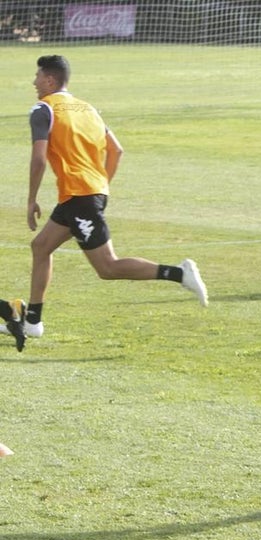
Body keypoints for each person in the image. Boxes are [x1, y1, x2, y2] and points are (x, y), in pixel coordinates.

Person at [22, 55, 207, 342]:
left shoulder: (43, 109)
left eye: (37, 76)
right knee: (41, 246)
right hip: (85, 193)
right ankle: (33, 322)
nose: (34, 82)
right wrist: (100, 185)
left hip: (80, 196)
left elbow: (38, 159)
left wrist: (31, 199)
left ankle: (179, 274)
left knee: (107, 267)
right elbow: (116, 149)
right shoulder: (88, 108)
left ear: (49, 80)